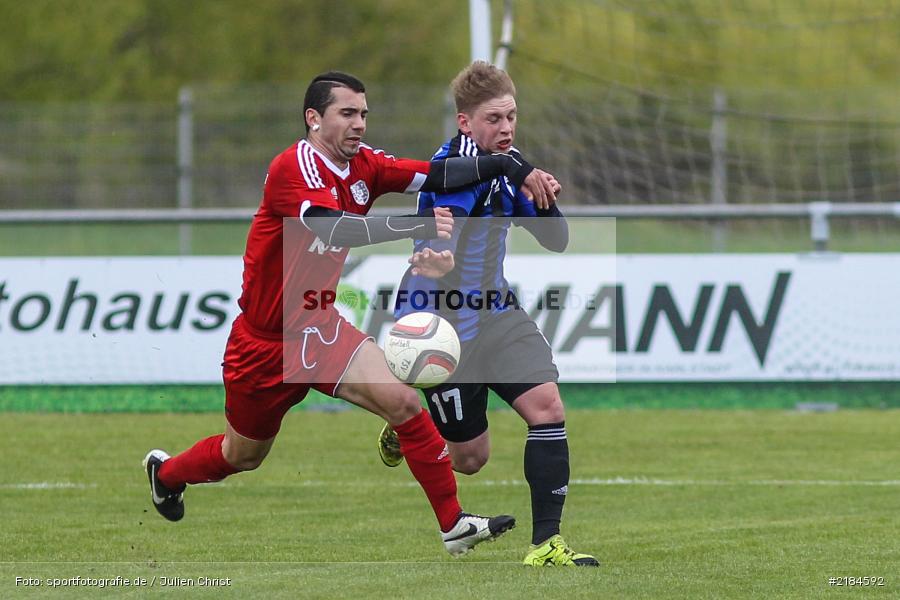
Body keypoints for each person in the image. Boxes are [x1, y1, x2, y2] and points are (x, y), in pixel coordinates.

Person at [142, 71, 557, 557]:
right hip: (262, 345)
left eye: (363, 113)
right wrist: (416, 224)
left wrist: (513, 166)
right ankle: (166, 474)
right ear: (313, 119)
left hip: (319, 329)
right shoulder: (292, 168)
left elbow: (440, 174)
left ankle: (454, 525)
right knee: (243, 455)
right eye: (347, 113)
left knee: (404, 402)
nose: (359, 123)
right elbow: (333, 229)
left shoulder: (365, 166)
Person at [377, 62, 599, 567]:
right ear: (465, 122)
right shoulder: (454, 169)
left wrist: (539, 204)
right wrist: (442, 257)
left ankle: (546, 545)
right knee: (470, 460)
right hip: (445, 323)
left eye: (512, 116)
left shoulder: (512, 164)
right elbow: (445, 234)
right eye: (494, 119)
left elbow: (557, 241)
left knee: (548, 408)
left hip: (497, 311)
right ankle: (409, 425)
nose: (506, 128)